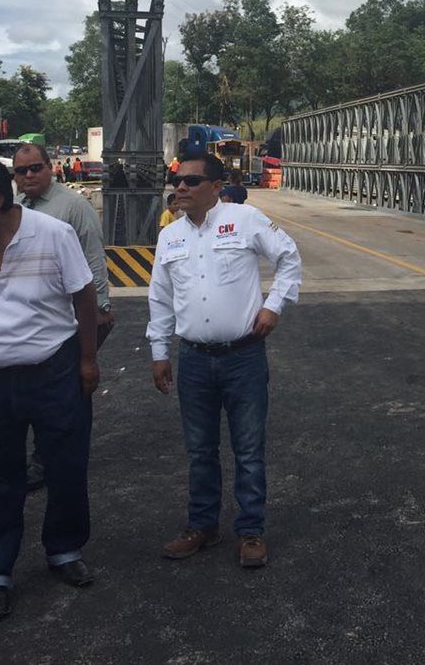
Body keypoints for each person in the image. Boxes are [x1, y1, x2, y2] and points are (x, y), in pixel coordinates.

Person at [0, 152, 100, 622]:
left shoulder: (52, 235)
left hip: (55, 370)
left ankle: (65, 550)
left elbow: (83, 295)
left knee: (66, 466)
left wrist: (87, 360)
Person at [147, 152, 302, 568]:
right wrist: (160, 352)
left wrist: (273, 306)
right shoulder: (170, 237)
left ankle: (251, 531)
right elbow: (160, 298)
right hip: (194, 359)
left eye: (192, 182)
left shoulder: (245, 220)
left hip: (242, 357)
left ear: (216, 188)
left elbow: (288, 258)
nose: (180, 188)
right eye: (177, 181)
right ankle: (203, 526)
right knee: (199, 449)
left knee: (248, 449)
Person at [12, 143, 115, 491]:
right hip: (30, 321)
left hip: (71, 318)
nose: (28, 175)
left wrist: (101, 308)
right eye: (21, 170)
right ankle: (40, 457)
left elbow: (93, 257)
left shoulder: (72, 206)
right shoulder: (13, 207)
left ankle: (51, 461)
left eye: (35, 168)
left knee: (67, 395)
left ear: (51, 168)